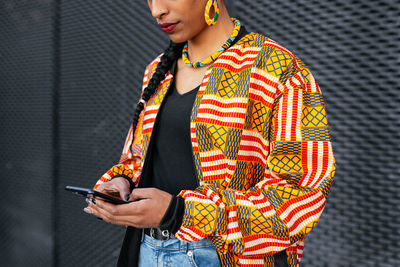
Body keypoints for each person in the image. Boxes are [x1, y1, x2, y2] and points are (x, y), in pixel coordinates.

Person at [84, 0, 336, 266]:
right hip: (147, 251)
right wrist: (123, 182)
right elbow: (138, 159)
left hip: (225, 258)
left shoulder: (277, 69)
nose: (157, 10)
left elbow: (301, 197)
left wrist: (182, 213)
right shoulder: (157, 71)